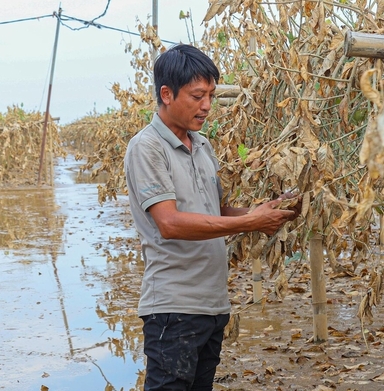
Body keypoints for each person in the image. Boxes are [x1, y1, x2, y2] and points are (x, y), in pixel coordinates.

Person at [124, 44, 301, 391]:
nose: (207, 106)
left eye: (211, 95)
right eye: (197, 95)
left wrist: (265, 210)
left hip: (212, 305)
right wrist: (250, 223)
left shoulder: (202, 146)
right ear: (166, 94)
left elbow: (216, 213)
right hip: (173, 308)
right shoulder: (146, 148)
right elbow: (170, 223)